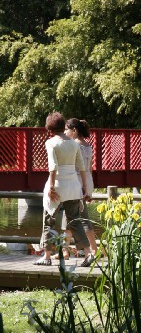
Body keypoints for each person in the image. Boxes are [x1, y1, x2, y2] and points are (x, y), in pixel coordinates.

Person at [33, 112, 92, 267]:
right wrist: (84, 187)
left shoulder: (51, 143)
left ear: (50, 128)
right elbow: (82, 167)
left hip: (58, 185)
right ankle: (88, 253)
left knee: (49, 221)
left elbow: (53, 167)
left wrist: (51, 187)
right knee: (75, 221)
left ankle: (46, 256)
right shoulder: (74, 143)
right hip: (73, 186)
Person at [52, 118, 98, 265]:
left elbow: (76, 167)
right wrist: (89, 188)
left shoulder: (74, 145)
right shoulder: (88, 146)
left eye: (67, 129)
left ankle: (92, 250)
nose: (65, 132)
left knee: (80, 218)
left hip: (75, 184)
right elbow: (90, 169)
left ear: (74, 130)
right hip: (86, 182)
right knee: (72, 217)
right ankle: (65, 250)